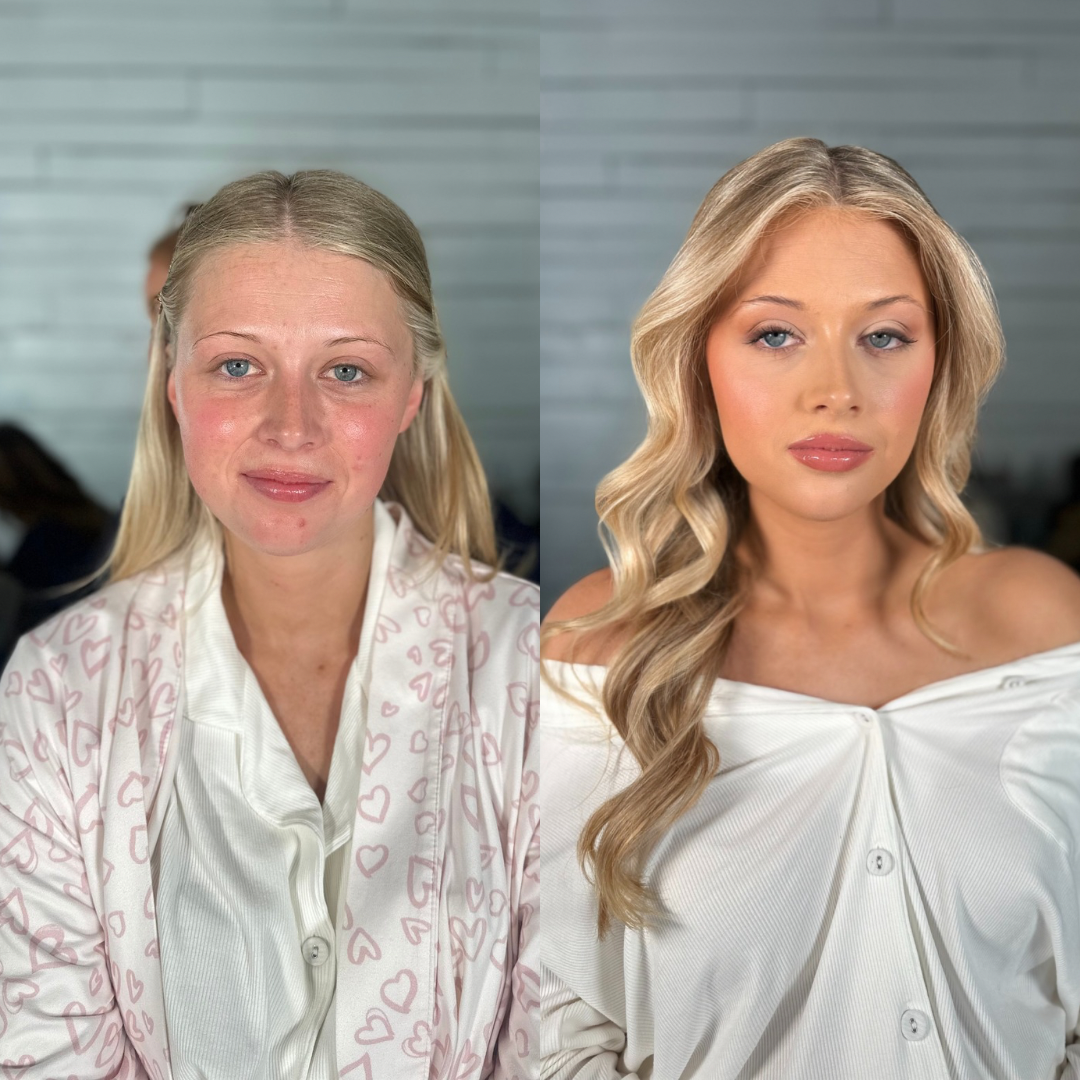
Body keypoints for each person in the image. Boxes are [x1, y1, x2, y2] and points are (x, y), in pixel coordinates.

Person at [539, 138, 1080, 1079]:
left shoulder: (1044, 625)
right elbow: (557, 1035)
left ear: (939, 364)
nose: (836, 392)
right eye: (775, 335)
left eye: (884, 337)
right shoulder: (599, 651)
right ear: (698, 359)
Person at [0, 170, 539, 1079]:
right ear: (172, 382)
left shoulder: (537, 668)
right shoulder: (57, 688)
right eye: (238, 365)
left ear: (411, 394)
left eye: (346, 370)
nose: (292, 427)